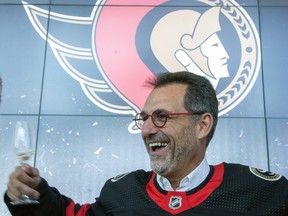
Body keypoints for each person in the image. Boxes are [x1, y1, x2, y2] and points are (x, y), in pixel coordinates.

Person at [4, 71, 288, 215]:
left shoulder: (264, 192)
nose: (147, 130)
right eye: (145, 118)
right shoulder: (121, 192)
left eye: (162, 117)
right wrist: (33, 193)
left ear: (202, 125)